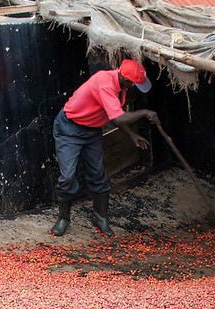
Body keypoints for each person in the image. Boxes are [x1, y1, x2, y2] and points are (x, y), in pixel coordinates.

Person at [51, 59, 159, 236]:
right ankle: (63, 218)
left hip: (92, 130)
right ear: (125, 78)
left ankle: (101, 217)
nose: (133, 86)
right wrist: (145, 113)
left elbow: (113, 114)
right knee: (67, 177)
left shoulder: (121, 88)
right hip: (70, 129)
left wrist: (132, 135)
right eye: (133, 83)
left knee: (98, 174)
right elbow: (118, 118)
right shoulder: (104, 84)